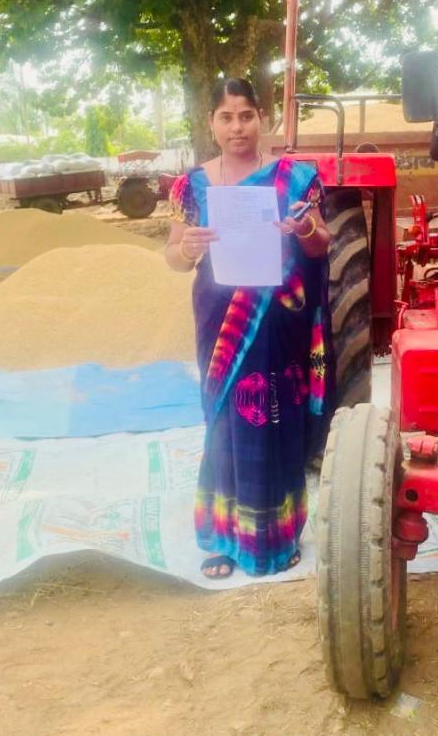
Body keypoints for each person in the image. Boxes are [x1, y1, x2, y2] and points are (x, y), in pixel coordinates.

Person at [165, 77, 335, 579]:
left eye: (245, 115)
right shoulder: (193, 186)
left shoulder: (295, 180)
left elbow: (322, 244)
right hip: (222, 325)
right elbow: (174, 257)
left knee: (276, 416)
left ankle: (278, 535)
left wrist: (304, 229)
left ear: (262, 118)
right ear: (211, 124)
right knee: (225, 421)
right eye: (226, 117)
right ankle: (223, 536)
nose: (236, 127)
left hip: (280, 321)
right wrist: (187, 247)